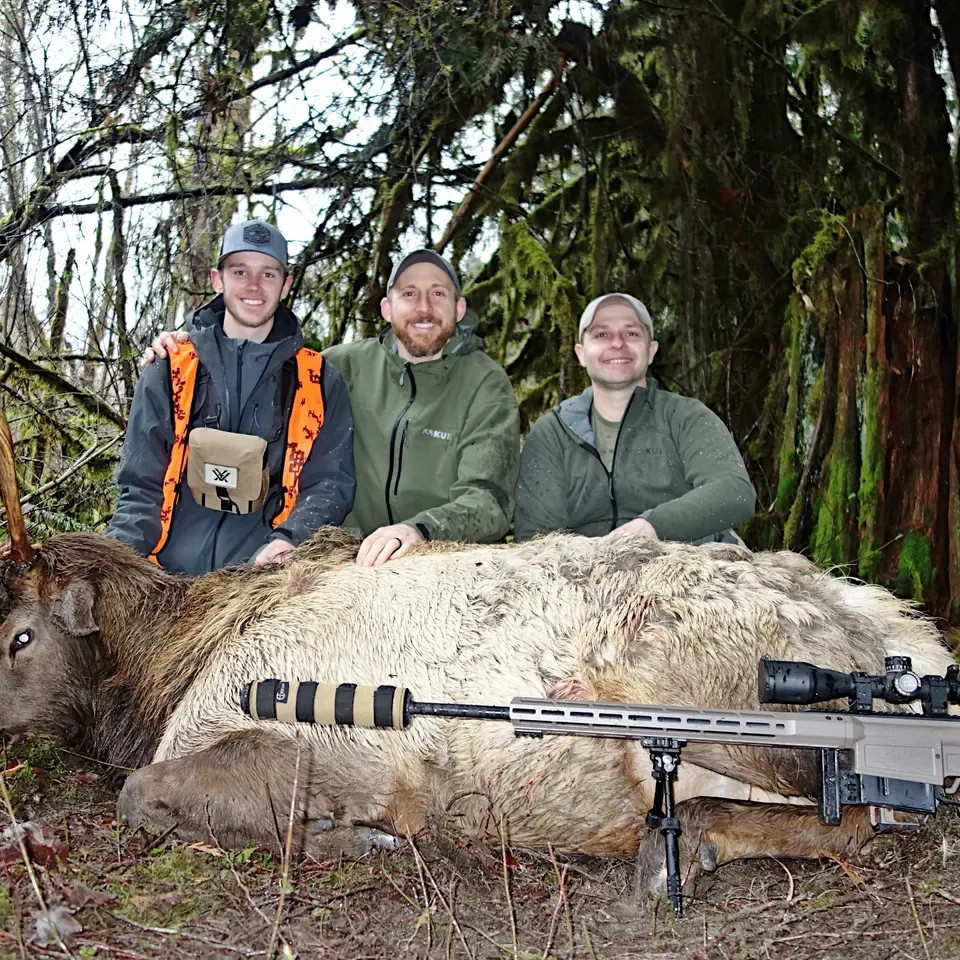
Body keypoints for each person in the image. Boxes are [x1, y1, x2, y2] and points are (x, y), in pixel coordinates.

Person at [141, 247, 520, 567]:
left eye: (438, 294)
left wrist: (419, 530)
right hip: (343, 562)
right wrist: (186, 345)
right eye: (408, 294)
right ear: (387, 308)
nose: (423, 307)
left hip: (440, 560)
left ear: (459, 307)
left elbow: (488, 501)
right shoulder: (339, 366)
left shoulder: (485, 383)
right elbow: (257, 374)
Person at [108, 220, 355, 574]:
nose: (254, 286)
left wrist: (290, 539)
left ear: (285, 285)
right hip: (165, 580)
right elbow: (140, 485)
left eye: (268, 274)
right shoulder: (170, 367)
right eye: (240, 271)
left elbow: (331, 483)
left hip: (262, 585)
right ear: (217, 279)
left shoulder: (317, 379)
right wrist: (117, 563)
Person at [514, 292, 756, 543]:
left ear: (651, 351)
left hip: (688, 562)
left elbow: (734, 492)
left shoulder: (686, 417)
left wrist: (652, 527)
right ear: (581, 354)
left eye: (631, 334)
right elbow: (535, 536)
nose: (617, 343)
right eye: (601, 334)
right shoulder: (553, 433)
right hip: (586, 570)